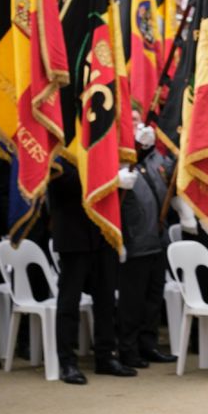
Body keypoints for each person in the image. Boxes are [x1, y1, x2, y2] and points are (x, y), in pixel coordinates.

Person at [47, 160, 136, 385]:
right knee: (70, 301)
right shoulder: (62, 147)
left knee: (106, 299)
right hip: (73, 233)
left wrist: (141, 149)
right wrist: (111, 179)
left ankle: (105, 356)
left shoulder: (97, 140)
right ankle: (67, 361)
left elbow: (120, 158)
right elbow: (63, 183)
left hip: (102, 230)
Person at [116, 109, 178, 369]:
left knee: (154, 296)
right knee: (133, 298)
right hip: (134, 237)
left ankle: (148, 344)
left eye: (137, 120)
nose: (136, 124)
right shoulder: (119, 156)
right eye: (129, 121)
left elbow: (169, 177)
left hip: (157, 236)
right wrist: (137, 148)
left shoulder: (153, 157)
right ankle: (128, 349)